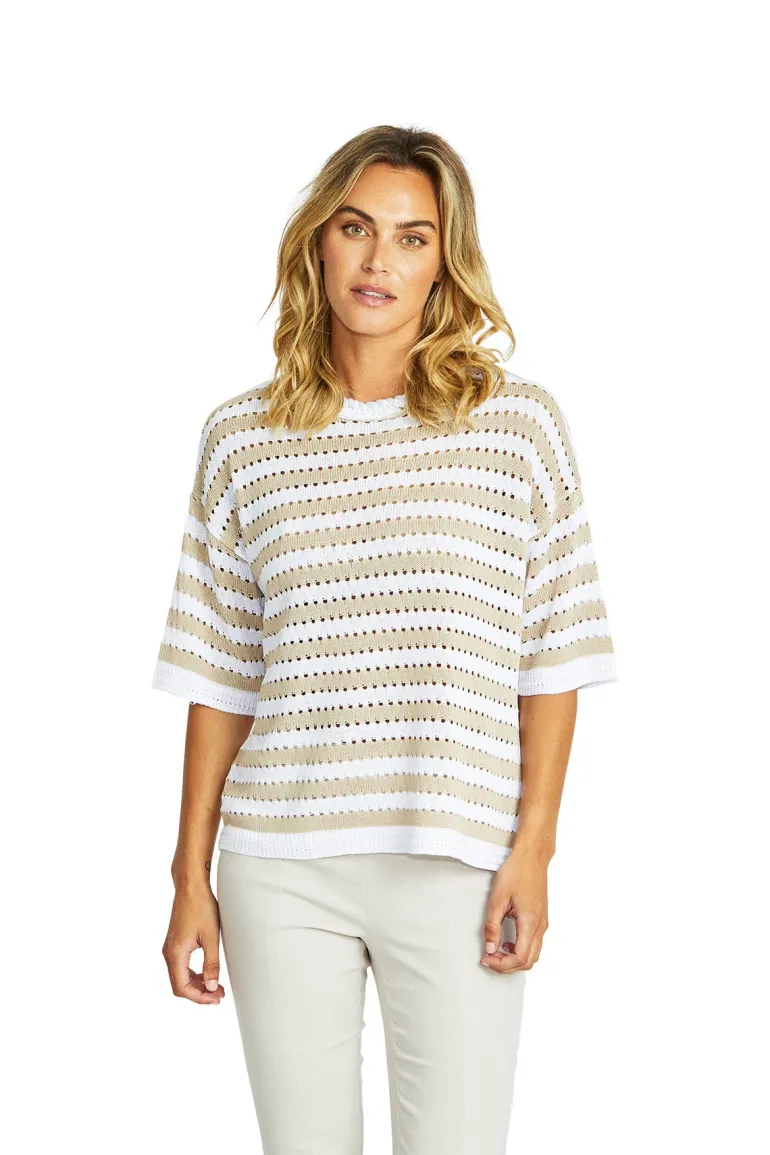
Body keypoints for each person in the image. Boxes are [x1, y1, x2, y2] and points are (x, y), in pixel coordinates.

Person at [152, 124, 617, 1154]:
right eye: (356, 228)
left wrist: (533, 849)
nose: (378, 261)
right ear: (317, 241)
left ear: (446, 261)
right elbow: (220, 674)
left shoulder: (515, 425)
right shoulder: (241, 438)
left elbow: (553, 653)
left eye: (413, 238)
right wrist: (189, 876)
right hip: (279, 864)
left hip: (455, 858)